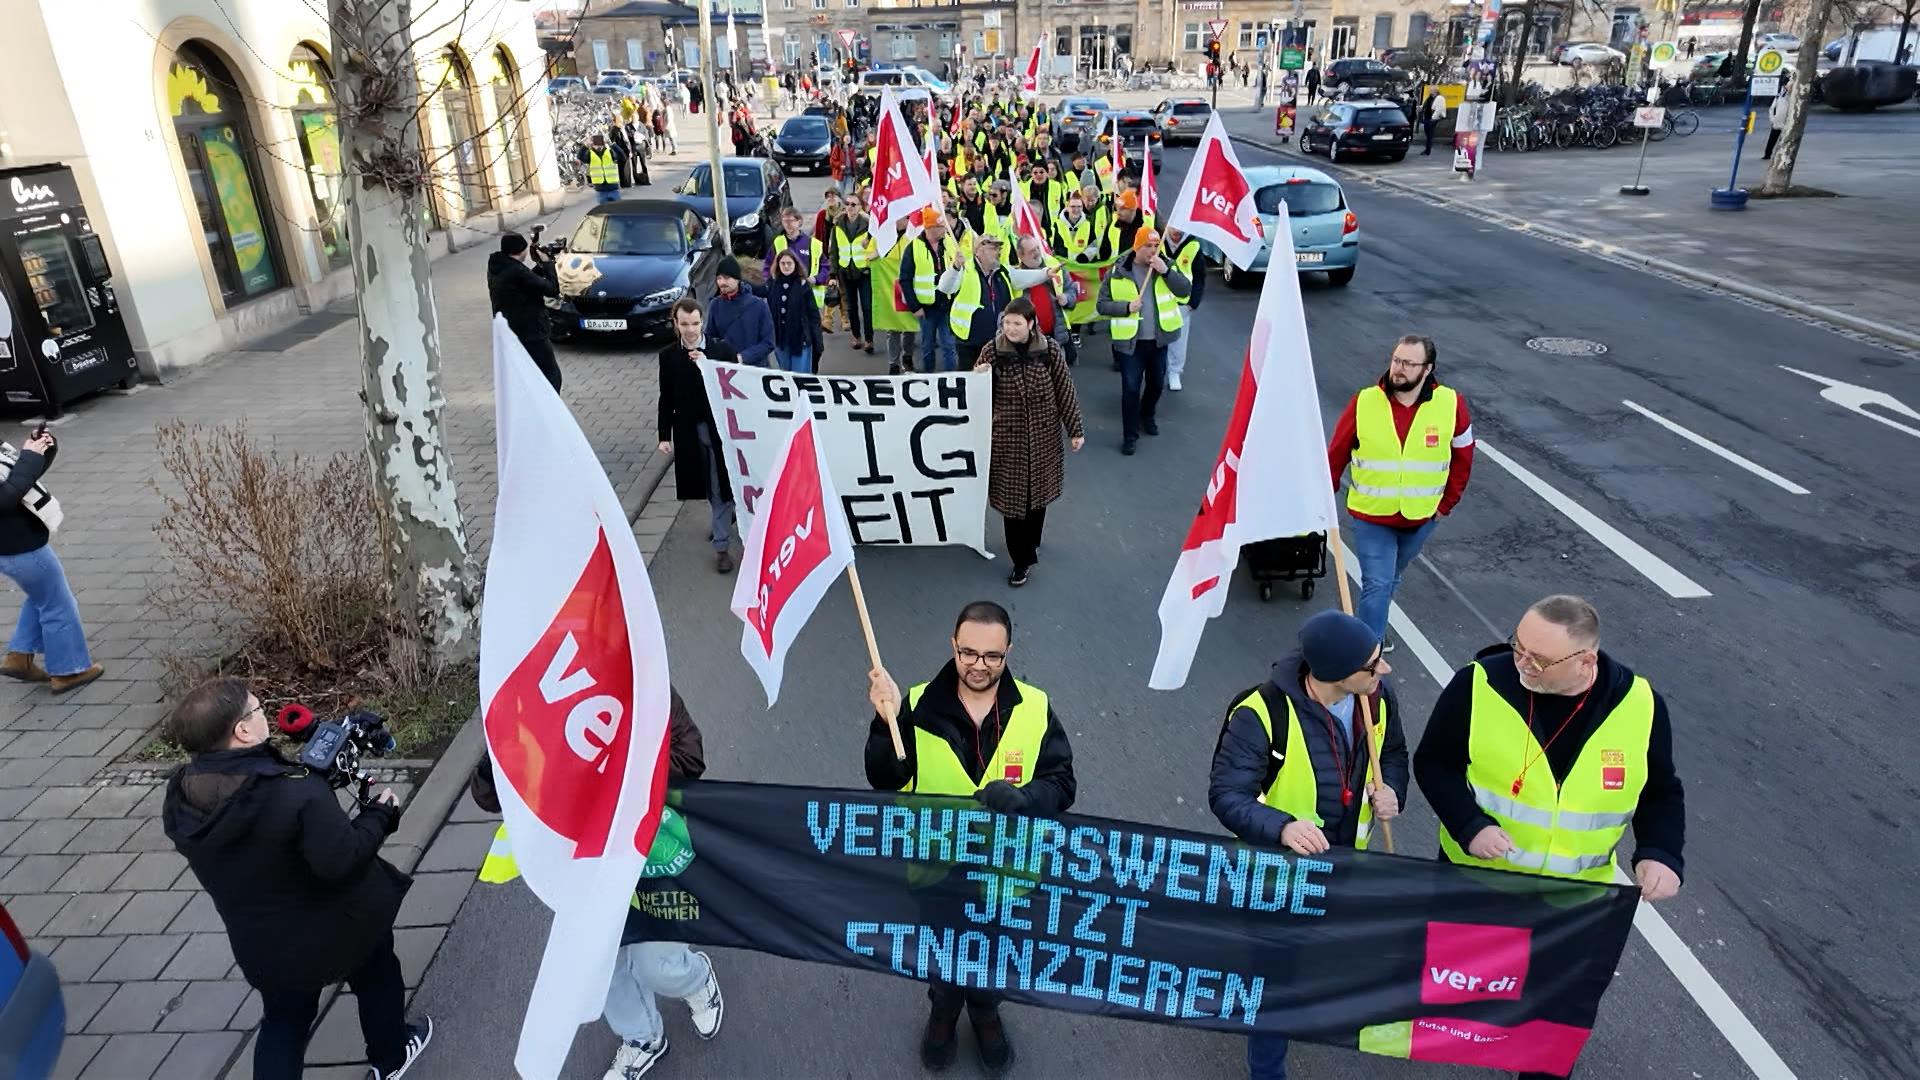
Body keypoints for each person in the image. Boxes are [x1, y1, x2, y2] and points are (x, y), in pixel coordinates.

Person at [1414, 596, 1685, 1050]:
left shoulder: (1641, 705)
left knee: (1555, 1020)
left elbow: (1660, 790)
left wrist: (1661, 854)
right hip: (1481, 889)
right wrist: (1469, 825)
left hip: (1574, 902)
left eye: (1538, 659)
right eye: (1517, 646)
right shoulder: (1478, 685)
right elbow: (1434, 764)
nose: (1522, 664)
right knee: (1464, 1012)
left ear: (1585, 661)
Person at [162, 677, 432, 1080]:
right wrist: (381, 815)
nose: (263, 713)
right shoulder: (296, 794)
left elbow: (259, 827)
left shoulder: (181, 796)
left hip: (264, 948)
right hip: (338, 931)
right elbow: (343, 860)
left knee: (284, 1021)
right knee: (376, 973)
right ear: (242, 730)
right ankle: (392, 1056)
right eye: (256, 709)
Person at [865, 601, 1077, 1074]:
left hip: (1006, 874)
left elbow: (1062, 783)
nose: (979, 666)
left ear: (1008, 652)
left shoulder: (1036, 707)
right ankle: (943, 1010)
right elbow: (885, 777)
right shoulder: (915, 703)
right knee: (943, 952)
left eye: (992, 656)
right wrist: (886, 722)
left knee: (993, 950)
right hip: (937, 870)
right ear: (953, 646)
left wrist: (1026, 797)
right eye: (969, 653)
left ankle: (985, 1012)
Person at [472, 687, 723, 1080]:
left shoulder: (641, 676)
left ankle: (696, 979)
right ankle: (643, 1037)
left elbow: (690, 757)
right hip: (584, 868)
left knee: (659, 966)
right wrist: (495, 763)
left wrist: (619, 780)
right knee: (601, 970)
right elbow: (490, 797)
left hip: (648, 855)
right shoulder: (538, 701)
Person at [1210, 610, 1408, 1080]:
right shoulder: (1259, 714)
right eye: (1373, 664)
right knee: (1274, 979)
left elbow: (1393, 754)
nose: (1385, 670)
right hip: (1275, 880)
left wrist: (1393, 790)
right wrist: (1281, 827)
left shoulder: (1377, 699)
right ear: (1339, 675)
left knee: (1314, 957)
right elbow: (1227, 794)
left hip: (1343, 867)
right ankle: (1267, 1069)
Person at [1326, 334, 1472, 647]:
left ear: (1427, 368)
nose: (1399, 369)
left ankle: (1367, 625)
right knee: (1378, 583)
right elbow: (1337, 452)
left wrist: (1445, 506)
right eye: (1396, 360)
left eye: (1408, 363)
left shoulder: (1451, 404)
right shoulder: (1365, 401)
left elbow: (1463, 456)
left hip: (1420, 519)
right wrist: (1325, 493)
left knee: (1390, 577)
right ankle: (1368, 652)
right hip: (1372, 516)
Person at [974, 298, 1084, 586]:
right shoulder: (992, 352)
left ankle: (1032, 541)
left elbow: (1065, 390)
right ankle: (1021, 561)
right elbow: (974, 392)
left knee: (1038, 498)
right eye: (1006, 322)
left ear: (1031, 324)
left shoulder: (1049, 351)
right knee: (1013, 506)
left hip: (1043, 438)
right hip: (1006, 442)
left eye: (1016, 323)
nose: (1010, 328)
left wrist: (1075, 430)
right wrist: (979, 377)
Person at [0, 431, 101, 693]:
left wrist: (41, 449)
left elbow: (20, 475)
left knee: (43, 594)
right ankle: (68, 671)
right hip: (18, 546)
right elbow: (6, 496)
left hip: (16, 544)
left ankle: (20, 656)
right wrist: (31, 457)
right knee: (57, 603)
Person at [658, 298, 743, 573]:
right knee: (706, 486)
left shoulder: (722, 350)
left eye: (695, 323)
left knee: (720, 487)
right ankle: (724, 519)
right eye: (685, 324)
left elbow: (737, 388)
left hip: (720, 432)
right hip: (688, 432)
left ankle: (721, 547)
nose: (691, 330)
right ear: (676, 323)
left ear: (702, 322)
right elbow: (666, 396)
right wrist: (664, 435)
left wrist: (708, 365)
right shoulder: (668, 356)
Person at [1097, 228, 1190, 456]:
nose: (1152, 251)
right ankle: (1130, 435)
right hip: (1131, 344)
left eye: (1156, 246)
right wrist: (1126, 307)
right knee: (1130, 388)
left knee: (1157, 383)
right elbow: (1102, 305)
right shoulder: (1118, 271)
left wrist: (1166, 272)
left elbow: (1184, 291)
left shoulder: (1166, 266)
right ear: (1136, 247)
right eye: (1148, 246)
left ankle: (1147, 414)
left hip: (1158, 341)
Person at [941, 232, 1051, 370]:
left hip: (999, 342)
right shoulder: (965, 269)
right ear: (979, 249)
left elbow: (1024, 276)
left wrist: (1046, 273)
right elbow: (945, 287)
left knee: (998, 383)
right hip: (970, 342)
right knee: (971, 382)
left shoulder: (1003, 271)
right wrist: (955, 267)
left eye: (999, 248)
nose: (998, 252)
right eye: (994, 248)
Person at [487, 232, 562, 390]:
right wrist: (548, 264)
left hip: (511, 331)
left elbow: (527, 281)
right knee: (552, 375)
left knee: (526, 376)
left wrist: (539, 267)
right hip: (531, 332)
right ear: (521, 251)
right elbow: (552, 289)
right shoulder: (516, 271)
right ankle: (549, 411)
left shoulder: (498, 265)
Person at [901, 207, 961, 372]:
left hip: (946, 303)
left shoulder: (948, 242)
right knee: (927, 346)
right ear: (929, 228)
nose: (944, 229)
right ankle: (929, 378)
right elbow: (905, 279)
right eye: (940, 227)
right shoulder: (913, 247)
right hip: (926, 308)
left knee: (949, 345)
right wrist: (914, 306)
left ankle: (952, 379)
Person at [706, 255, 776, 369]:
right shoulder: (715, 305)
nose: (722, 282)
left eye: (727, 278)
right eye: (719, 278)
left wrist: (743, 357)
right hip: (727, 370)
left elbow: (768, 343)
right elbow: (709, 337)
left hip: (755, 370)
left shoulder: (759, 305)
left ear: (737, 279)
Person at [1160, 225, 1207, 391]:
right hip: (1159, 300)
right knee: (1157, 340)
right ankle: (1158, 372)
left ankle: (1175, 372)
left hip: (1182, 303)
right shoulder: (1158, 242)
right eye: (1173, 229)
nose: (1176, 234)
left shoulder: (1193, 245)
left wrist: (1193, 303)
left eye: (1179, 230)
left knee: (1179, 341)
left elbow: (1200, 278)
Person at [768, 247, 824, 374]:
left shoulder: (803, 286)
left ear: (795, 264)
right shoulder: (773, 285)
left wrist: (818, 342)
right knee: (786, 375)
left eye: (789, 263)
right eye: (783, 263)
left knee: (800, 378)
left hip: (800, 340)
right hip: (781, 341)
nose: (786, 266)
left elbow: (813, 316)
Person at [833, 199, 877, 353]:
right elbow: (834, 250)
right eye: (847, 204)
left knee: (867, 307)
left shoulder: (869, 225)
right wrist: (833, 273)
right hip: (846, 271)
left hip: (864, 271)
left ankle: (869, 339)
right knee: (851, 308)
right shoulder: (838, 225)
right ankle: (856, 337)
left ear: (860, 207)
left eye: (854, 204)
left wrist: (871, 251)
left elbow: (877, 246)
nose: (850, 207)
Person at [579, 132, 626, 204]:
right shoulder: (590, 154)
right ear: (592, 144)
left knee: (617, 211)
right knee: (604, 213)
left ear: (603, 143)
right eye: (596, 144)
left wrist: (611, 144)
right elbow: (580, 157)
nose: (598, 146)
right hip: (600, 190)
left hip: (613, 188)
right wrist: (585, 145)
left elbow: (622, 156)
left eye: (600, 143)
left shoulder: (609, 152)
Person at [1763, 74, 1792, 159]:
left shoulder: (1792, 96)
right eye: (1789, 85)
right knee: (1772, 139)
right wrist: (1772, 119)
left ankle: (1783, 155)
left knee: (1785, 140)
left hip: (1787, 122)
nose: (1790, 87)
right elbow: (1772, 108)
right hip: (1778, 121)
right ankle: (1767, 154)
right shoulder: (1780, 95)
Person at [1422, 89, 1447, 155]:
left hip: (1432, 119)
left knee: (1429, 135)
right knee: (1427, 135)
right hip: (1427, 118)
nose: (1430, 91)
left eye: (1432, 91)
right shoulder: (1430, 98)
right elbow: (1426, 106)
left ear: (1436, 92)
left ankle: (1428, 151)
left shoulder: (1439, 98)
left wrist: (1433, 118)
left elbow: (1439, 109)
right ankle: (1427, 150)